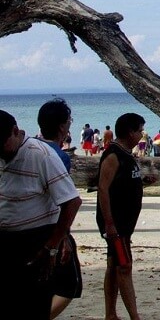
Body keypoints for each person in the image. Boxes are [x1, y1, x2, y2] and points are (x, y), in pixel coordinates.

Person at [0, 109, 82, 320]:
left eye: (2, 142)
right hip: (6, 239)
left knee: (33, 304)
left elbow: (71, 201)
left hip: (35, 240)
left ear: (15, 131)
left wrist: (54, 243)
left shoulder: (40, 155)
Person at [96, 113, 146, 320]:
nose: (142, 134)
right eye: (140, 130)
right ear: (130, 132)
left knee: (113, 266)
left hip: (125, 223)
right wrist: (109, 224)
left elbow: (123, 182)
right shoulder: (113, 155)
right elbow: (103, 189)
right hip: (117, 225)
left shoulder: (127, 154)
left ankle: (110, 314)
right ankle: (135, 317)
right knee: (124, 266)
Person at [37, 99, 84, 318]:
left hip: (26, 225)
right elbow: (64, 199)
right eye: (69, 121)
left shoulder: (31, 148)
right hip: (49, 227)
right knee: (69, 285)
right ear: (62, 127)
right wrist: (63, 236)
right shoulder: (58, 156)